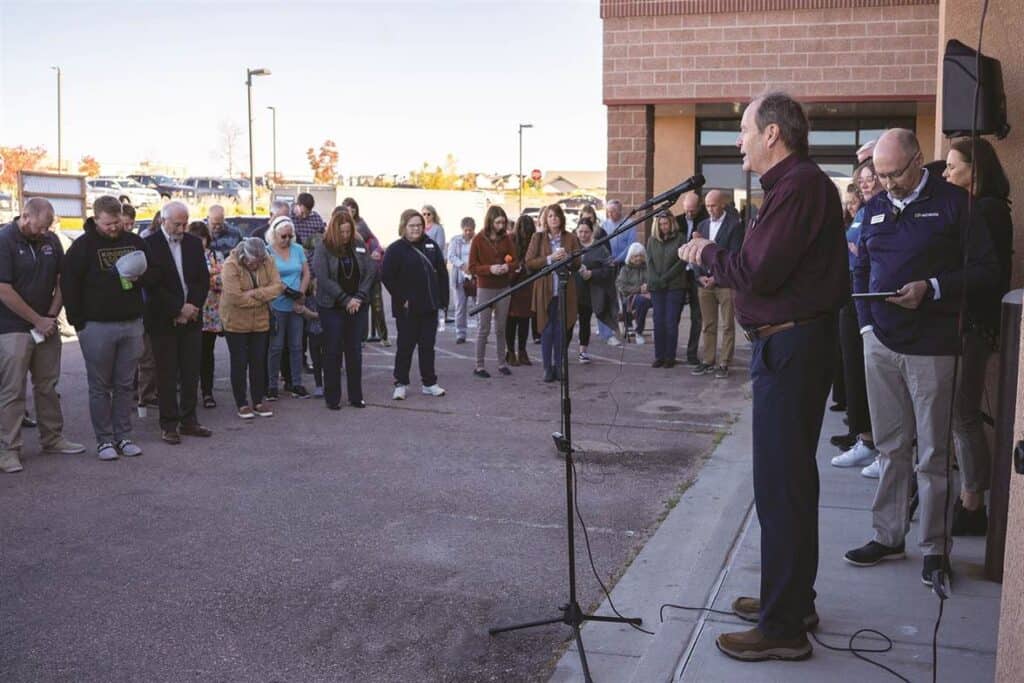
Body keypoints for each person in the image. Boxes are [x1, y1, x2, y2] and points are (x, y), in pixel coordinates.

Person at [679, 92, 849, 661]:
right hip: (792, 345)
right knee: (789, 485)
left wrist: (705, 253)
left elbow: (759, 271)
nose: (739, 141)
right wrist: (726, 270)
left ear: (773, 133)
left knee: (781, 487)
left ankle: (782, 629)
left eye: (746, 130)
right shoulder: (795, 187)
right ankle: (790, 600)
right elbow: (764, 273)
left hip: (792, 349)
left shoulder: (798, 186)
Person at [844, 128, 997, 587]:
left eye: (894, 174)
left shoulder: (955, 204)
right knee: (892, 448)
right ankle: (888, 536)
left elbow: (988, 269)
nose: (886, 183)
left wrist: (931, 289)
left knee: (932, 455)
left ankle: (935, 549)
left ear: (917, 162)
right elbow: (860, 269)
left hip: (934, 347)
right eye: (880, 175)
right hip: (882, 345)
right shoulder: (873, 210)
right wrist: (868, 327)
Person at [943, 136, 1013, 535]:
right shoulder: (985, 209)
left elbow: (979, 273)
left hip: (973, 324)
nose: (948, 173)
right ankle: (971, 496)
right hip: (973, 323)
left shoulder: (984, 212)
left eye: (954, 166)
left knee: (963, 414)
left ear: (976, 169)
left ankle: (973, 503)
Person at [63, 197, 156, 460]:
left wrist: (140, 278)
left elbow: (154, 273)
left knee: (125, 384)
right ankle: (104, 441)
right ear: (96, 219)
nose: (114, 228)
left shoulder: (134, 242)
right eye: (108, 224)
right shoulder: (83, 247)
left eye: (117, 222)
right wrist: (78, 322)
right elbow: (70, 284)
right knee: (100, 386)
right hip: (96, 326)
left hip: (131, 322)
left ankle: (124, 436)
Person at [0, 198, 84, 473]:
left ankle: (53, 438)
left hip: (46, 325)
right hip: (12, 327)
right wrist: (36, 319)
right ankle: (8, 450)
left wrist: (49, 316)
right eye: (38, 227)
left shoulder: (50, 240)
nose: (42, 232)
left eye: (48, 227)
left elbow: (62, 280)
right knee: (12, 391)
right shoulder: (5, 240)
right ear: (24, 216)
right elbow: (4, 289)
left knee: (47, 385)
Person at [143, 201, 212, 445]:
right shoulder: (149, 246)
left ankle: (189, 420)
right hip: (163, 320)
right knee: (167, 374)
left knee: (191, 371)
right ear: (163, 220)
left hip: (191, 318)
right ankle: (169, 424)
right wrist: (176, 309)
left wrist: (191, 308)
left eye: (185, 223)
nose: (182, 229)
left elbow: (202, 280)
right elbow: (151, 285)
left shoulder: (193, 243)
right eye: (177, 224)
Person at [830, 160, 883, 472]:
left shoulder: (884, 210)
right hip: (853, 293)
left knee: (872, 375)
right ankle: (864, 439)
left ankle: (878, 446)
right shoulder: (862, 212)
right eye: (861, 179)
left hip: (873, 297)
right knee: (854, 371)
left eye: (871, 177)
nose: (865, 183)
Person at [382, 209, 449, 400]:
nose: (416, 229)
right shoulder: (395, 249)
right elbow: (387, 276)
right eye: (412, 226)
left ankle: (429, 382)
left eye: (419, 225)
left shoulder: (431, 245)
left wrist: (443, 300)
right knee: (405, 347)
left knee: (428, 346)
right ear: (404, 226)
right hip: (407, 309)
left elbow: (442, 273)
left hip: (429, 306)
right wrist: (401, 297)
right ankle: (400, 383)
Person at [313, 210, 375, 409]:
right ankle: (333, 398)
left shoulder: (358, 245)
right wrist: (344, 298)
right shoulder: (323, 247)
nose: (345, 236)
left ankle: (356, 397)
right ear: (334, 230)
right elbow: (323, 277)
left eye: (348, 231)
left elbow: (370, 271)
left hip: (356, 306)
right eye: (342, 232)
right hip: (332, 307)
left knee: (354, 351)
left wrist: (359, 297)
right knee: (332, 351)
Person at [218, 238, 283, 418]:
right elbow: (234, 298)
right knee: (239, 362)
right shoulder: (230, 265)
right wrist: (263, 295)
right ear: (244, 257)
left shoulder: (268, 260)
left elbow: (277, 287)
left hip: (261, 321)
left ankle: (258, 401)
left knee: (258, 361)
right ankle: (242, 403)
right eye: (254, 263)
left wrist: (254, 293)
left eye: (260, 262)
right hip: (235, 321)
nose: (257, 265)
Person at [691, 190, 745, 379]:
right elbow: (695, 253)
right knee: (708, 324)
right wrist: (699, 277)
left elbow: (735, 254)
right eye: (707, 206)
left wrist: (717, 276)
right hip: (704, 283)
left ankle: (724, 363)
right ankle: (707, 360)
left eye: (713, 205)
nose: (710, 209)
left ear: (722, 204)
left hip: (724, 283)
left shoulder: (734, 226)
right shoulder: (702, 225)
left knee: (727, 325)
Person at [526, 205, 581, 383]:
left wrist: (568, 259)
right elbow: (530, 262)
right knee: (546, 329)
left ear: (561, 218)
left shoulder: (571, 238)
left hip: (565, 289)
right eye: (550, 216)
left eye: (556, 216)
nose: (553, 219)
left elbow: (578, 263)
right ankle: (547, 368)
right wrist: (550, 258)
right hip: (544, 289)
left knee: (561, 330)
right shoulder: (538, 237)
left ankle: (559, 367)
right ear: (545, 219)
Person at [266, 216, 311, 400]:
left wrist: (301, 294)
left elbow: (306, 273)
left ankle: (296, 383)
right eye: (283, 236)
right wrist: (285, 289)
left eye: (289, 236)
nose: (286, 240)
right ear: (274, 234)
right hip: (277, 303)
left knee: (296, 346)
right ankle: (272, 385)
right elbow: (268, 277)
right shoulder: (268, 251)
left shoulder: (298, 249)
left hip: (295, 303)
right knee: (275, 347)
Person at [469, 206, 516, 378]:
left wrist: (507, 267)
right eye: (498, 222)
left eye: (503, 222)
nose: (501, 225)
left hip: (503, 287)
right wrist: (490, 269)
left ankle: (501, 363)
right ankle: (479, 365)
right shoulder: (478, 239)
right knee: (484, 327)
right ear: (490, 221)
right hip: (485, 287)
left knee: (501, 327)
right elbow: (472, 267)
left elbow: (515, 261)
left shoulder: (507, 239)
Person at [342, 197, 388, 346]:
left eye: (353, 208)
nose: (351, 210)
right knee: (359, 307)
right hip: (354, 275)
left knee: (377, 305)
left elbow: (374, 241)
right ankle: (360, 337)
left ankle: (383, 335)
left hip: (369, 272)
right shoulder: (339, 225)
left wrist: (376, 251)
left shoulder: (361, 225)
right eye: (348, 208)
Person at [188, 221, 224, 409]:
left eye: (202, 238)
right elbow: (190, 280)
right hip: (192, 309)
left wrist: (209, 278)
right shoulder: (186, 255)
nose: (199, 242)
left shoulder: (216, 255)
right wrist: (210, 276)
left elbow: (222, 280)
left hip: (211, 311)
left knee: (207, 354)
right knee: (190, 355)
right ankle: (190, 393)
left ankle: (207, 392)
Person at [573, 216, 618, 364]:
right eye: (580, 232)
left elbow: (610, 268)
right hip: (573, 290)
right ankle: (563, 348)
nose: (583, 235)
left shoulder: (600, 248)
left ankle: (583, 351)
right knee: (569, 321)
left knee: (585, 321)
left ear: (592, 232)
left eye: (586, 232)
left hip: (591, 291)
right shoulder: (572, 246)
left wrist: (592, 273)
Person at [645, 210, 688, 368]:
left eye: (666, 223)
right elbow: (649, 262)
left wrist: (665, 278)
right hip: (657, 287)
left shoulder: (680, 238)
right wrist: (656, 279)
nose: (664, 227)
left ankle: (670, 356)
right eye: (661, 224)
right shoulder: (651, 241)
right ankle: (659, 356)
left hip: (675, 286)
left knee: (670, 321)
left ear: (671, 223)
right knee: (658, 321)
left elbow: (681, 262)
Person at [676, 192, 708, 365]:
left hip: (697, 273)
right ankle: (670, 352)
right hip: (679, 274)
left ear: (699, 207)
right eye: (687, 210)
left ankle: (692, 353)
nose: (689, 214)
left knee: (697, 316)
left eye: (693, 211)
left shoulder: (704, 221)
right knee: (675, 314)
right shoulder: (677, 221)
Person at [505, 214, 536, 366]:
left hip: (527, 283)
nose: (525, 233)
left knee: (524, 319)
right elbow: (506, 259)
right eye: (524, 229)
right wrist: (514, 269)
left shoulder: (534, 241)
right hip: (513, 283)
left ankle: (522, 351)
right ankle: (510, 351)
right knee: (511, 319)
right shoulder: (511, 239)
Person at [447, 217, 475, 344]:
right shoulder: (455, 240)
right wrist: (462, 265)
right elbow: (451, 256)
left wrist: (473, 267)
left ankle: (481, 333)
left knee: (479, 306)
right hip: (460, 277)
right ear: (462, 229)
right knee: (460, 307)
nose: (468, 233)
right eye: (466, 230)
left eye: (471, 230)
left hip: (475, 277)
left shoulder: (477, 240)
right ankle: (460, 333)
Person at [615, 243, 652, 344]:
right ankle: (638, 332)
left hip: (649, 296)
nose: (638, 258)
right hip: (630, 297)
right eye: (635, 256)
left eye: (641, 255)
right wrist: (639, 289)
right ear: (630, 257)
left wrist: (648, 286)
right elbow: (622, 287)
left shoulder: (648, 268)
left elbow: (653, 281)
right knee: (641, 301)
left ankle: (659, 330)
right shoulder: (625, 270)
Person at [603, 199, 636, 266]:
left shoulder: (629, 224)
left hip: (625, 262)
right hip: (608, 263)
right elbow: (602, 244)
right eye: (608, 212)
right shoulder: (604, 225)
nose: (610, 214)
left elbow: (630, 245)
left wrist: (618, 260)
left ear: (620, 211)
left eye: (613, 212)